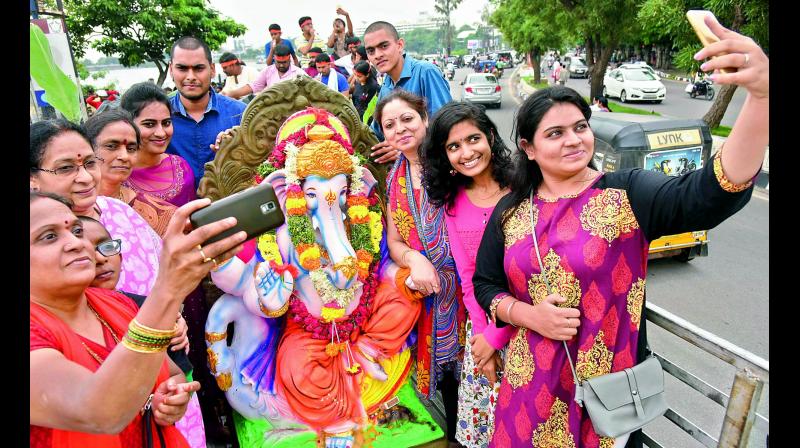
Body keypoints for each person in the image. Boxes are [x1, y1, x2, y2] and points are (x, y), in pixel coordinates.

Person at [472, 18, 768, 447]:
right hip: (526, 390)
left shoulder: (627, 193)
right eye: (555, 133)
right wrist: (527, 314)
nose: (574, 140)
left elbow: (708, 195)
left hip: (604, 401)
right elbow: (486, 283)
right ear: (529, 149)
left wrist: (759, 98)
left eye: (580, 127)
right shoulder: (511, 210)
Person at [29, 190, 245, 447]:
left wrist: (166, 399)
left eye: (76, 231)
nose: (77, 243)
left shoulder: (117, 303)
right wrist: (169, 288)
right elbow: (96, 412)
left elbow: (170, 374)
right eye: (49, 236)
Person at [420, 101, 516, 448]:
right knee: (490, 428)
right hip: (484, 329)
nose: (466, 152)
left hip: (531, 325)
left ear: (490, 135)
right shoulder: (453, 201)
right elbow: (467, 274)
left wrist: (499, 336)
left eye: (473, 139)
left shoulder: (520, 189)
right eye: (454, 147)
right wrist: (485, 340)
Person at [376, 90, 465, 443]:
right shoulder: (394, 178)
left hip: (469, 291)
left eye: (407, 119)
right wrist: (416, 260)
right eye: (390, 124)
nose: (400, 129)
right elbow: (394, 243)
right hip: (430, 294)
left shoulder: (453, 164)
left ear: (425, 120)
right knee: (447, 380)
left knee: (482, 374)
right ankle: (458, 433)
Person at [79, 215, 207, 448]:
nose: (100, 258)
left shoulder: (144, 308)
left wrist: (171, 398)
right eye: (85, 250)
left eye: (106, 246)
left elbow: (177, 376)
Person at [30, 119, 163, 297]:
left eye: (90, 163)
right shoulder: (35, 238)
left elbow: (162, 268)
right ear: (32, 179)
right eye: (66, 168)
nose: (85, 177)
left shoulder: (118, 210)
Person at [363, 21, 452, 163]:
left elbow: (446, 126)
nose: (377, 55)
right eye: (371, 51)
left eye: (384, 46)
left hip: (436, 167)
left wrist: (403, 150)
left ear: (399, 45)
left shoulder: (425, 72)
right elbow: (376, 132)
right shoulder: (386, 86)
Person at [166, 36, 247, 188]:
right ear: (171, 69)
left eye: (198, 68)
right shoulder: (158, 118)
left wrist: (231, 152)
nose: (191, 77)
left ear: (212, 69)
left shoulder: (240, 114)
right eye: (182, 68)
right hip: (175, 209)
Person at [84, 109, 177, 237]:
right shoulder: (66, 208)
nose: (124, 156)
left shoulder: (159, 213)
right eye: (112, 146)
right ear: (88, 149)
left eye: (131, 149)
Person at [120, 81, 197, 207]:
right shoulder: (119, 175)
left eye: (166, 123)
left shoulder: (181, 167)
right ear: (127, 124)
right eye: (149, 124)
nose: (161, 133)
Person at [224, 44, 307, 100]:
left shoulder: (299, 73)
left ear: (289, 59)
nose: (281, 65)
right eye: (279, 63)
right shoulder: (267, 71)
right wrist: (232, 94)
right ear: (274, 59)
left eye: (284, 62)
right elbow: (253, 87)